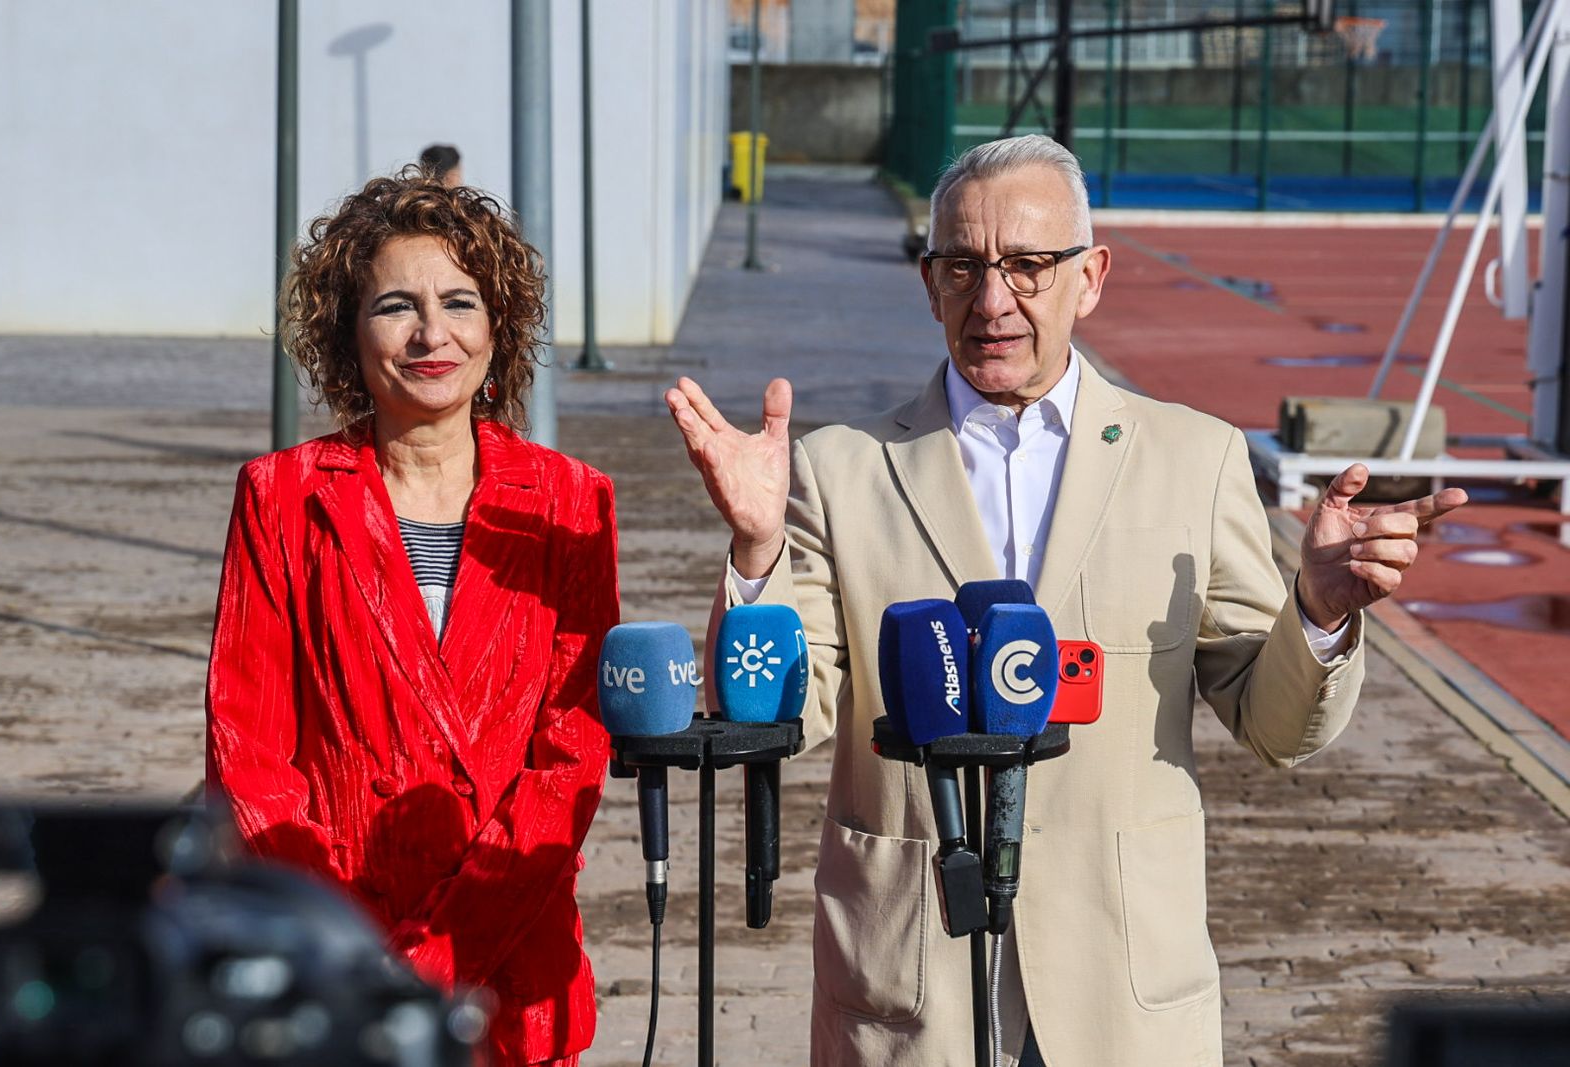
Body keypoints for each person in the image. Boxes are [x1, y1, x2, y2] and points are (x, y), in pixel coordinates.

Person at [667, 135, 1466, 1067]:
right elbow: (775, 716)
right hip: (911, 990)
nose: (993, 299)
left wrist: (1320, 610)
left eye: (1029, 266)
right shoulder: (842, 470)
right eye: (963, 265)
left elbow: (1276, 724)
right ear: (929, 283)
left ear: (1091, 277)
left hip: (1121, 993)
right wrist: (757, 548)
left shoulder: (1194, 458)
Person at [206, 169, 617, 1067]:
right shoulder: (280, 498)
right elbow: (250, 760)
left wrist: (438, 957)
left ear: (496, 329)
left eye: (459, 302)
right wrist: (358, 953)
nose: (432, 333)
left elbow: (572, 755)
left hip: (506, 971)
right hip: (332, 972)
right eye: (396, 305)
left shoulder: (571, 502)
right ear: (347, 335)